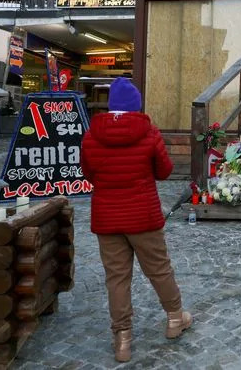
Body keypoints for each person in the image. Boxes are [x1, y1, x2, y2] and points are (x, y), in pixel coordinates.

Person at [81, 77, 192, 362]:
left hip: (107, 217)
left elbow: (89, 174)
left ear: (111, 106)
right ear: (136, 105)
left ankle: (123, 339)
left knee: (117, 278)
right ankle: (175, 318)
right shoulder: (149, 132)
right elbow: (164, 171)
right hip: (143, 216)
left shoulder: (91, 136)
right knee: (159, 269)